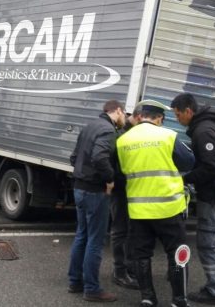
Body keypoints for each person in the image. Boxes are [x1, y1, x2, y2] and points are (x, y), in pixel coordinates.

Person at [116, 99, 195, 307]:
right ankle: (179, 300)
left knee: (141, 255)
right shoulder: (168, 136)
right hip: (169, 207)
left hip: (139, 209)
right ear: (159, 118)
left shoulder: (123, 140)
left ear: (140, 116)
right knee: (177, 254)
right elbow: (189, 162)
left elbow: (122, 171)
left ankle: (148, 298)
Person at [170, 93, 215, 306]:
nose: (177, 118)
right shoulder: (208, 125)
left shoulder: (203, 131)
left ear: (188, 111)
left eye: (178, 114)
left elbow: (211, 166)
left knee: (208, 242)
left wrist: (185, 178)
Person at [68, 99, 126, 302]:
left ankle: (75, 281)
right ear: (118, 111)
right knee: (95, 240)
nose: (124, 119)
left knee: (82, 235)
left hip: (79, 188)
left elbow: (74, 158)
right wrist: (110, 179)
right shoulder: (108, 130)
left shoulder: (89, 126)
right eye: (124, 114)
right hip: (95, 191)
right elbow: (100, 157)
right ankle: (92, 289)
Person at [109, 109, 141, 290]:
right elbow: (113, 164)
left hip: (131, 190)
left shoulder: (128, 133)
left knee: (130, 231)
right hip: (121, 191)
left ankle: (129, 268)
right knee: (121, 231)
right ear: (137, 117)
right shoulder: (121, 135)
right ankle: (120, 272)